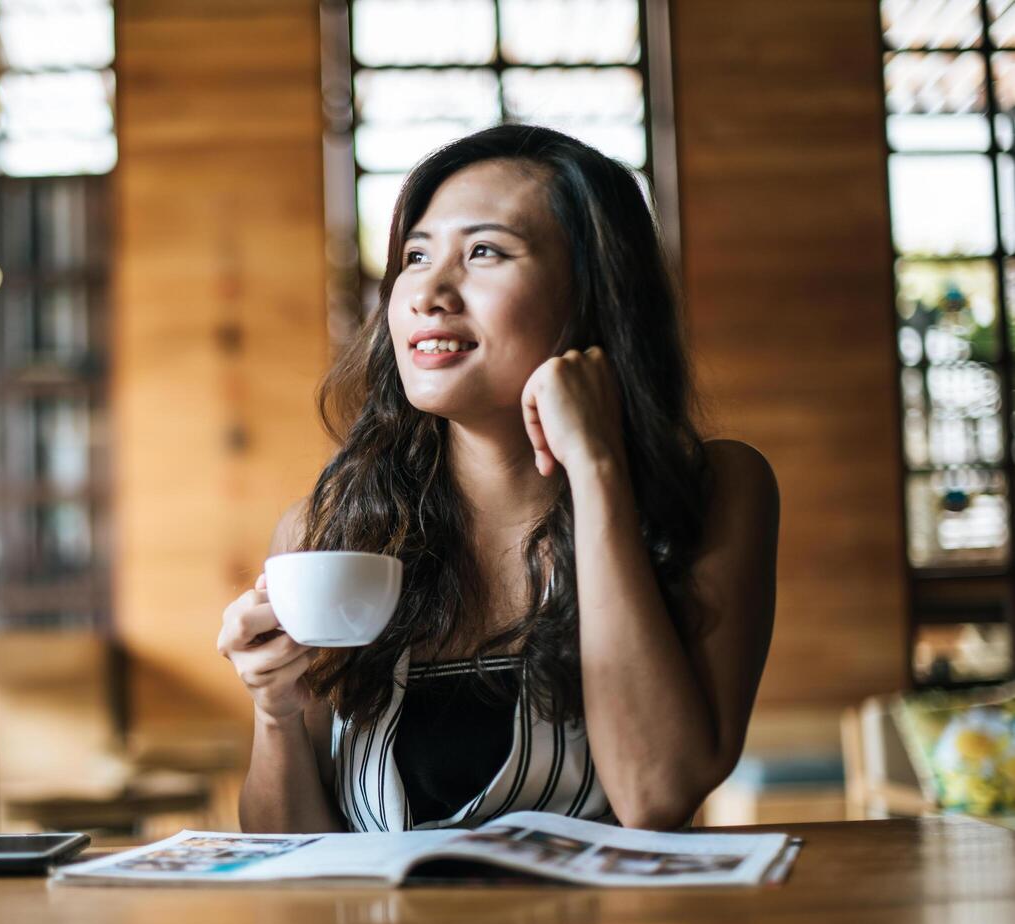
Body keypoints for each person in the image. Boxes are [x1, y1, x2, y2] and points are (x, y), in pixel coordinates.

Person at [216, 124, 779, 833]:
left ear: (593, 291)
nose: (427, 291)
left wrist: (598, 469)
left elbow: (656, 792)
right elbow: (292, 856)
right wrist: (276, 714)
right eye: (415, 256)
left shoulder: (715, 491)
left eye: (484, 251)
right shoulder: (326, 531)